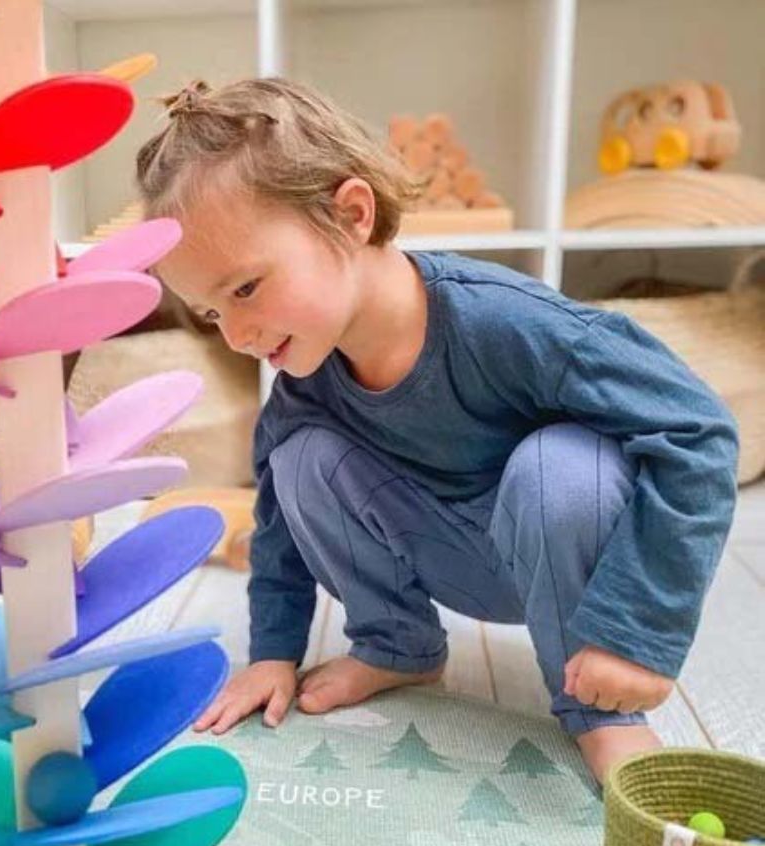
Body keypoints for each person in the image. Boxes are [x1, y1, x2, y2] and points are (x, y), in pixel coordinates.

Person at [135, 77, 739, 783]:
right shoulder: (306, 380)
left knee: (558, 464)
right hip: (453, 556)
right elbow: (276, 524)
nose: (235, 335)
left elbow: (699, 430)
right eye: (211, 313)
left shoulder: (508, 322)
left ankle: (598, 712)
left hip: (565, 549)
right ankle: (399, 647)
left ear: (351, 214)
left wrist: (637, 632)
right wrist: (274, 652)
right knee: (296, 463)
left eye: (243, 289)